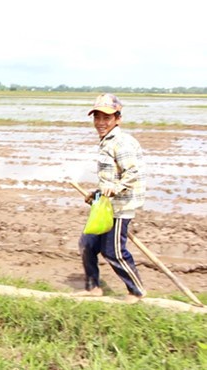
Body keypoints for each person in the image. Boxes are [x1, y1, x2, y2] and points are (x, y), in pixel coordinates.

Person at [76, 93, 146, 302]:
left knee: (113, 252)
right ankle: (93, 288)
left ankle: (136, 291)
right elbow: (110, 177)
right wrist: (96, 193)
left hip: (120, 206)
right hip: (105, 204)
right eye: (97, 117)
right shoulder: (106, 141)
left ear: (118, 118)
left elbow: (132, 173)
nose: (100, 123)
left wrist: (116, 188)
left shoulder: (121, 142)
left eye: (106, 118)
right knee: (87, 244)